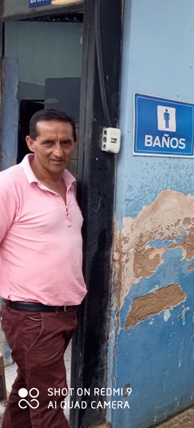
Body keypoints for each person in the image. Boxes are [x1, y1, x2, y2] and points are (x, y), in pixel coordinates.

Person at [0, 109, 87, 427]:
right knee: (49, 403)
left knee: (28, 391)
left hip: (63, 312)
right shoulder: (9, 184)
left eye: (66, 142)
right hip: (32, 316)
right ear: (30, 142)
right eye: (48, 142)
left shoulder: (70, 183)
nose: (58, 151)